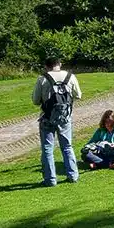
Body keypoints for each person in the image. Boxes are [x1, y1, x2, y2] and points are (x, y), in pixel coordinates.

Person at [32, 57, 83, 186]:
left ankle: (50, 179)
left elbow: (35, 100)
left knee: (47, 148)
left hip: (47, 117)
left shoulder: (42, 79)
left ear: (46, 66)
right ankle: (73, 175)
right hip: (65, 117)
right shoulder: (70, 76)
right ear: (59, 64)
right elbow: (78, 95)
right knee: (67, 146)